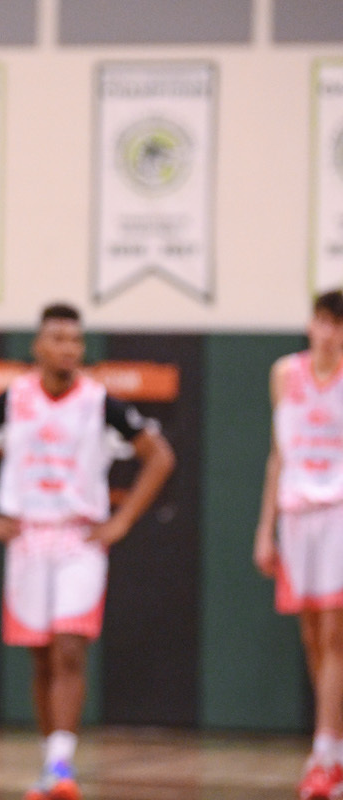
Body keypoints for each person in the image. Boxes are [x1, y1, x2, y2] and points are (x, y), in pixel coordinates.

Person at [0, 303, 174, 800]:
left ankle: (62, 764)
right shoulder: (15, 396)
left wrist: (122, 520)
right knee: (43, 657)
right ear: (39, 346)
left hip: (79, 538)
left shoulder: (99, 400)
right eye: (59, 338)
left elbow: (159, 456)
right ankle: (51, 763)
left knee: (70, 646)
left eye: (76, 339)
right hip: (28, 536)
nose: (69, 347)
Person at [254, 289, 343, 800]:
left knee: (334, 634)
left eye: (335, 324)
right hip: (296, 514)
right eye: (320, 321)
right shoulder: (285, 373)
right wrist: (266, 529)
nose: (325, 331)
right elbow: (277, 455)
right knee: (313, 637)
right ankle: (332, 741)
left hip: (336, 513)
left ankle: (323, 753)